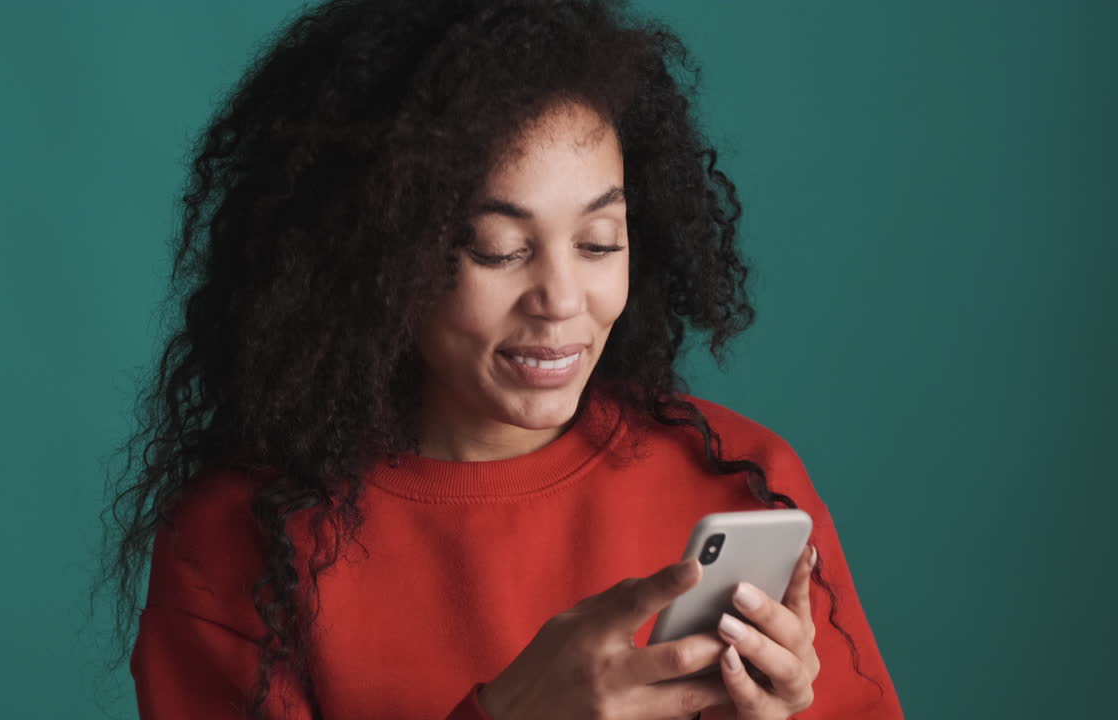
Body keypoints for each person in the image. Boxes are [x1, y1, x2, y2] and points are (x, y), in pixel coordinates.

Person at [100, 1, 904, 718]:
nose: (560, 298)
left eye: (598, 242)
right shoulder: (240, 545)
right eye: (496, 250)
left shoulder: (745, 481)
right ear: (374, 260)